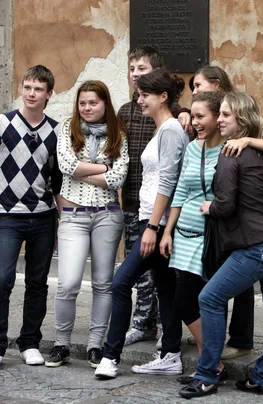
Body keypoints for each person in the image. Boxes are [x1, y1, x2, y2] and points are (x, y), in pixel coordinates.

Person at [179, 92, 263, 398]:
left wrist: (209, 207)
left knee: (209, 298)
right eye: (219, 114)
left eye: (225, 115)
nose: (219, 120)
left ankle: (206, 376)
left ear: (241, 119)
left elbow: (225, 206)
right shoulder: (257, 150)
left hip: (261, 243)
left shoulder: (230, 153)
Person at [95, 68, 188, 378]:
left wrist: (154, 227)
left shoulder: (172, 129)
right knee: (165, 287)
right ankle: (171, 353)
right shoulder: (161, 129)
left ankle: (110, 356)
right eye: (138, 94)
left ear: (163, 97)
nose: (139, 100)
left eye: (145, 95)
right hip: (152, 219)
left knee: (121, 283)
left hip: (156, 222)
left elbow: (168, 181)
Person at [46, 81, 128, 368]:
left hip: (107, 215)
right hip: (73, 215)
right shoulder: (68, 127)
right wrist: (105, 168)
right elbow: (67, 165)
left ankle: (95, 345)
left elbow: (120, 178)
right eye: (83, 103)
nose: (87, 108)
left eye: (93, 102)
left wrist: (91, 171)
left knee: (104, 284)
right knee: (67, 283)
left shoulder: (118, 130)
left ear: (105, 103)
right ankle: (61, 343)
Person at [118, 46, 191, 348]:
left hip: (159, 209)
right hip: (134, 199)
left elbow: (169, 174)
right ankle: (143, 323)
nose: (136, 74)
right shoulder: (125, 111)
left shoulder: (174, 118)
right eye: (132, 68)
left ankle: (166, 331)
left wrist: (184, 112)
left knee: (157, 275)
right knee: (146, 278)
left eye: (142, 69)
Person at [0, 65, 62, 366]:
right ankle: (0, 344)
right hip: (7, 214)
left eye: (38, 89)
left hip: (43, 214)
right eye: (27, 87)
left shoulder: (56, 130)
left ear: (49, 94)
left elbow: (58, 176)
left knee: (38, 281)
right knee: (2, 279)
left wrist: (62, 215)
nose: (31, 93)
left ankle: (29, 342)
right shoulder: (4, 123)